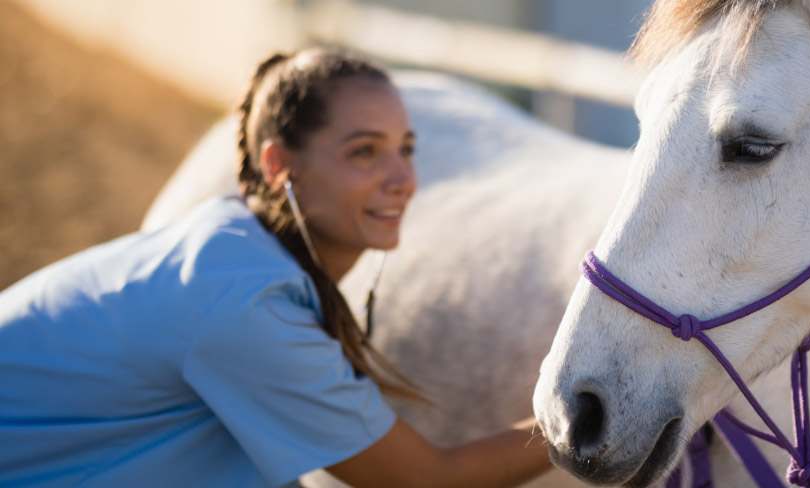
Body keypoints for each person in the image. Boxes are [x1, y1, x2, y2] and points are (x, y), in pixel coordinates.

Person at [0, 48, 553, 488]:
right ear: (277, 164)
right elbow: (425, 479)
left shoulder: (236, 248)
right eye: (364, 151)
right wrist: (578, 420)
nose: (402, 178)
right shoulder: (242, 301)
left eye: (406, 149)